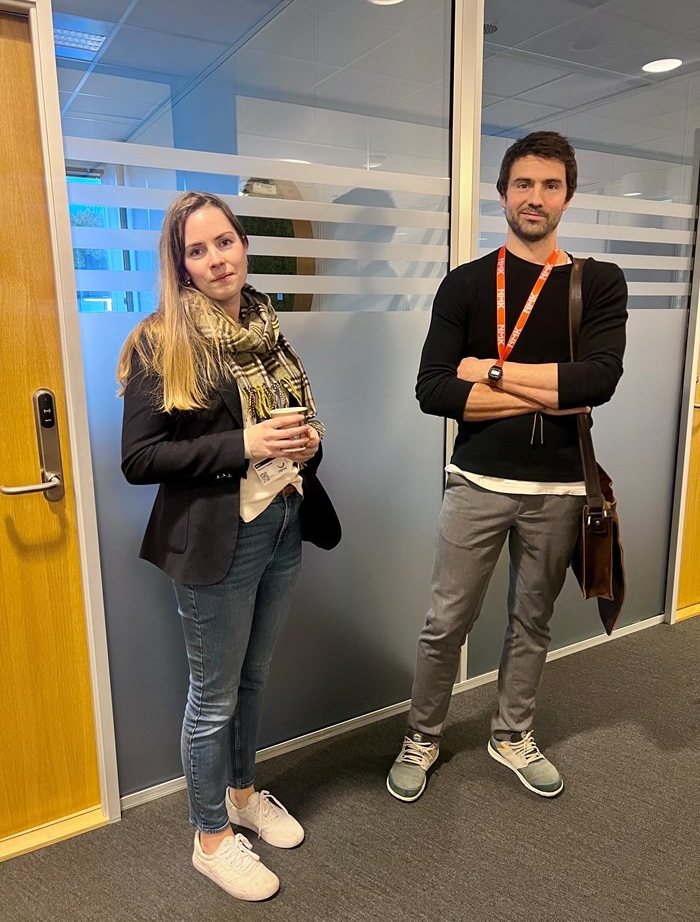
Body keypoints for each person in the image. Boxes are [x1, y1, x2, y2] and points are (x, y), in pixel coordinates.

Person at [387, 131, 627, 802]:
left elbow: (597, 381)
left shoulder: (597, 282)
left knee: (532, 620)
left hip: (561, 486)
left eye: (551, 185)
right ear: (502, 195)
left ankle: (511, 732)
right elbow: (434, 389)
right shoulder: (466, 283)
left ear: (567, 197)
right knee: (445, 623)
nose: (535, 197)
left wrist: (490, 371)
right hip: (477, 482)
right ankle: (423, 734)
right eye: (523, 183)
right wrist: (552, 389)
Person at [118, 191, 337, 901]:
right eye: (197, 249)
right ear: (179, 264)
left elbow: (287, 416)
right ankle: (209, 836)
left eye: (225, 242)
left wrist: (307, 441)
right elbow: (139, 458)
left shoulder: (265, 326)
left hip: (282, 520)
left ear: (244, 244)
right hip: (217, 539)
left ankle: (242, 794)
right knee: (213, 697)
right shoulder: (160, 340)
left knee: (253, 677)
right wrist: (244, 444)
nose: (216, 259)